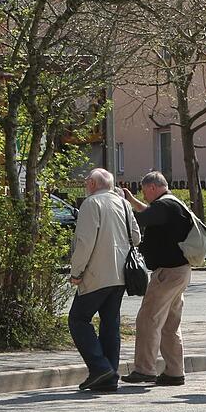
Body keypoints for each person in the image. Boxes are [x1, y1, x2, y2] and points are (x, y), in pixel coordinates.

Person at [68, 168, 141, 392]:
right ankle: (109, 376)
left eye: (85, 181)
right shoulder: (124, 204)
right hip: (121, 275)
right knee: (111, 323)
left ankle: (100, 368)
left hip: (97, 274)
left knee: (78, 320)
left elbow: (85, 242)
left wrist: (76, 272)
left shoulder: (91, 204)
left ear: (91, 183)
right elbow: (136, 237)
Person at [119, 171, 193, 386]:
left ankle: (145, 370)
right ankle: (174, 372)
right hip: (179, 271)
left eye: (144, 192)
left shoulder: (164, 206)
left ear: (152, 188)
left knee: (148, 319)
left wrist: (122, 205)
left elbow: (141, 218)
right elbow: (149, 212)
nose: (144, 196)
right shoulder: (173, 204)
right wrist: (132, 200)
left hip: (167, 273)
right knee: (170, 324)